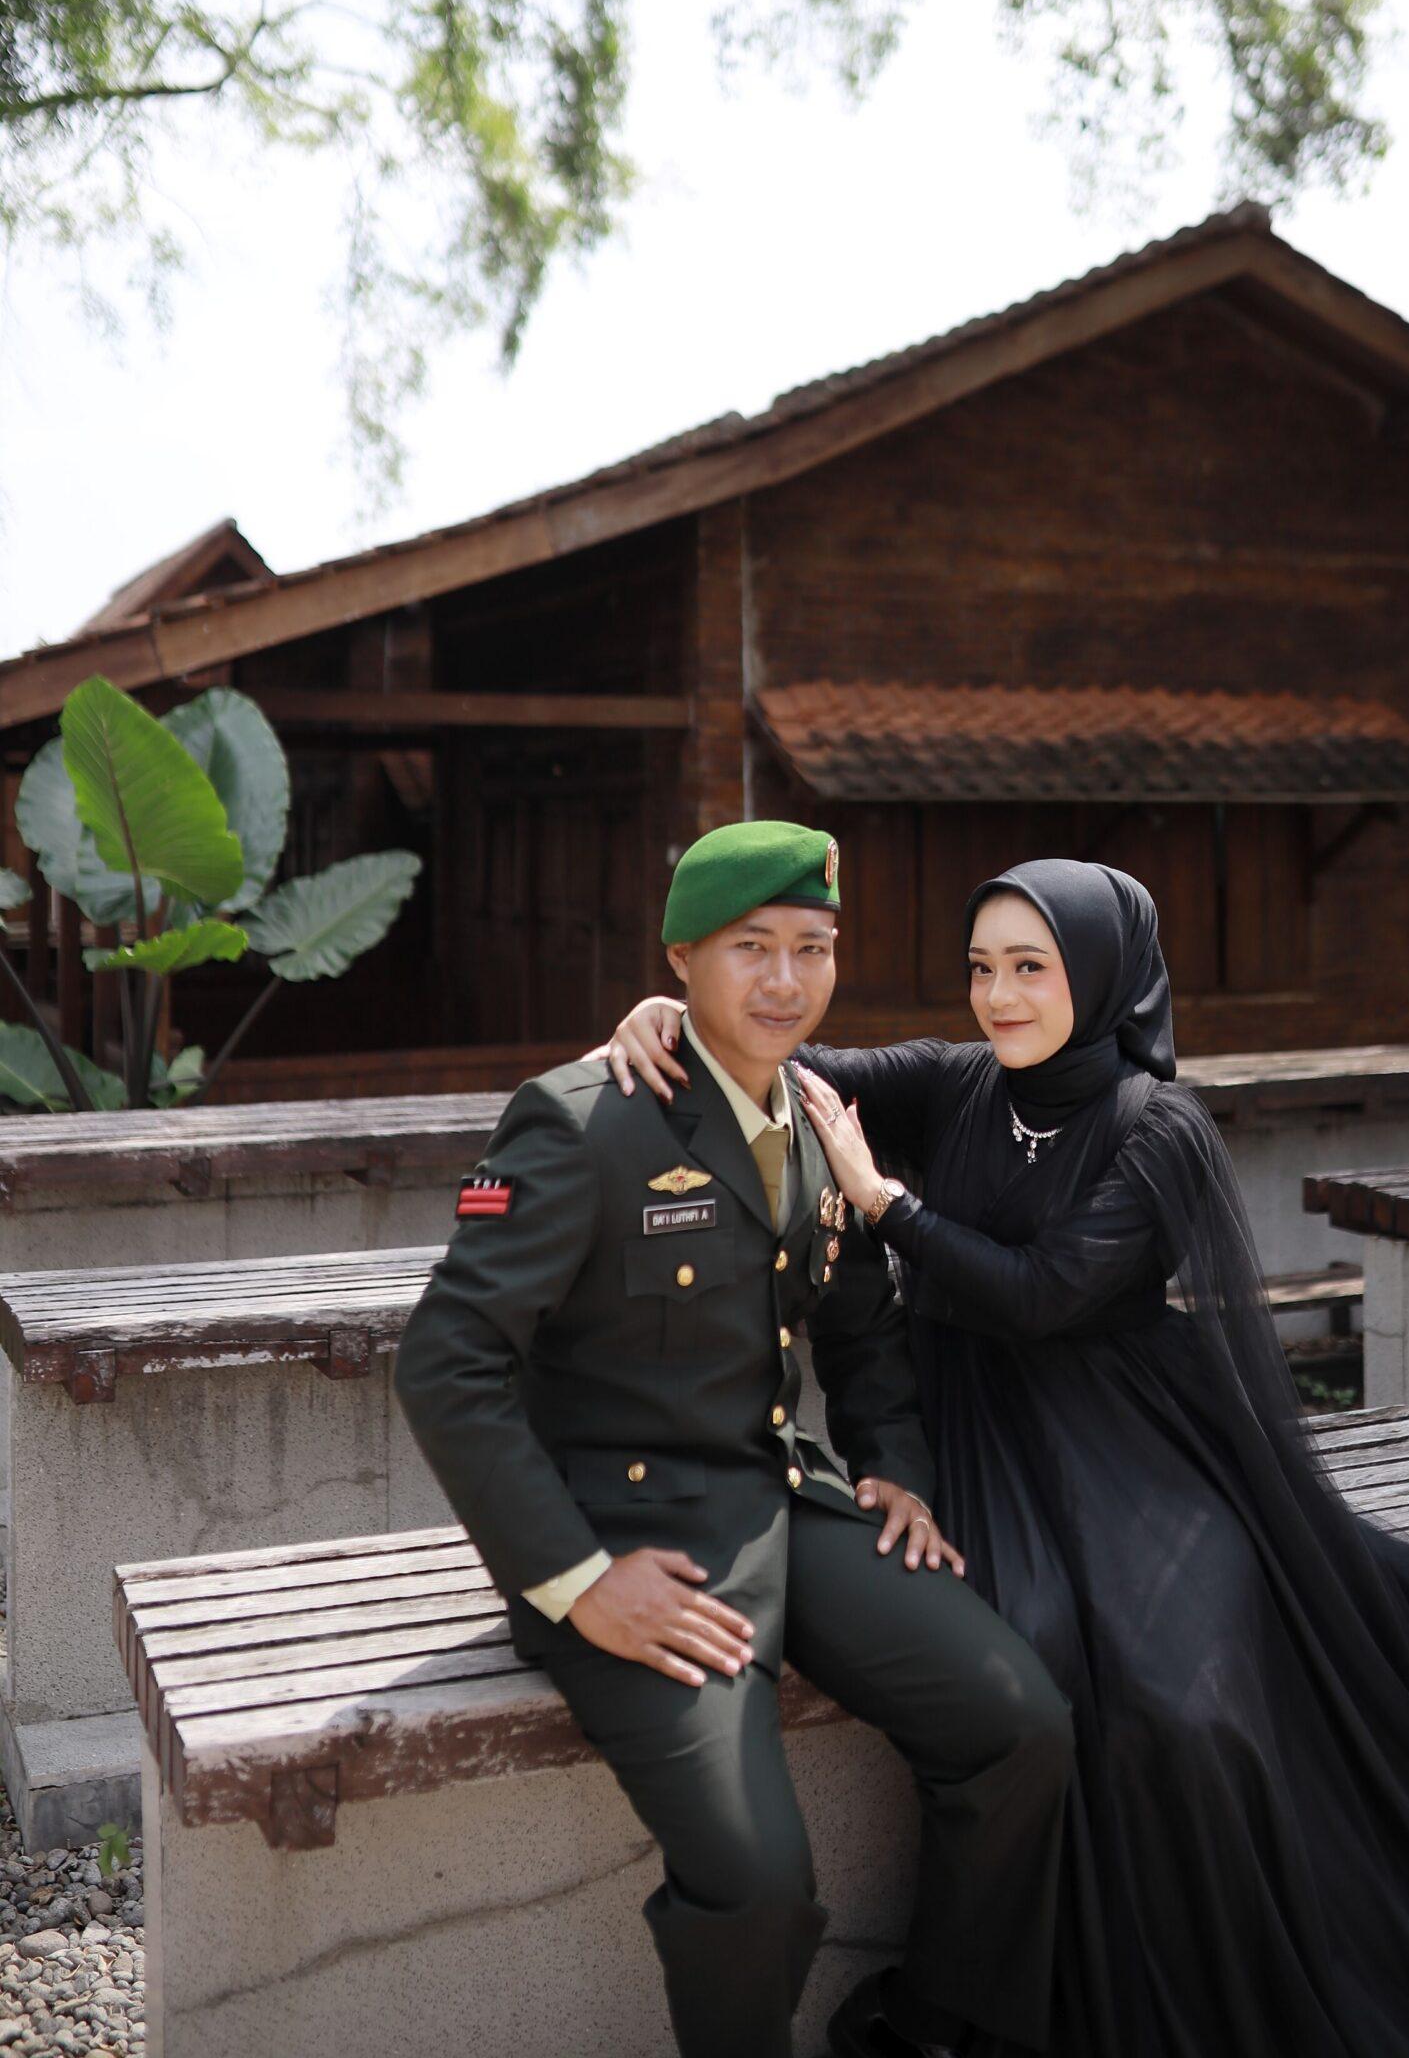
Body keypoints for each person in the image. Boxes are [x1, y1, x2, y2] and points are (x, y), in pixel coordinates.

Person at [602, 854, 1409, 2058]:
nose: (999, 996)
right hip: (975, 1430)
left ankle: (1246, 1967)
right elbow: (788, 1061)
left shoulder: (1157, 1125)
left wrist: (886, 1202)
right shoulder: (959, 1080)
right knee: (1039, 1655)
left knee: (1187, 1704)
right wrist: (672, 1017)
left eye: (1031, 967)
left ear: (1103, 973)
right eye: (982, 968)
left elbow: (1047, 1293)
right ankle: (1018, 1998)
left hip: (1133, 1431)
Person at [393, 821, 1073, 2058]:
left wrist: (895, 1467)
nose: (784, 980)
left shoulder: (813, 1112)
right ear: (681, 960)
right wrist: (578, 1582)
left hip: (781, 1496)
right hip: (631, 1546)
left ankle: (928, 2025)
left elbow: (863, 1328)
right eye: (749, 947)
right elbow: (446, 1361)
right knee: (757, 1880)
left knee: (1017, 1725)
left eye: (812, 947)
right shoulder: (584, 1120)